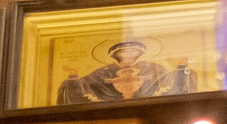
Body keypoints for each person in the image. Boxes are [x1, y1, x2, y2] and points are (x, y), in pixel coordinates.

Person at [56, 39, 195, 104]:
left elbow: (172, 82)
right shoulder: (103, 72)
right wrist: (73, 76)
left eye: (133, 51)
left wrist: (182, 67)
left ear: (140, 54)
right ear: (114, 55)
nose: (128, 54)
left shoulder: (150, 68)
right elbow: (81, 88)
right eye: (124, 52)